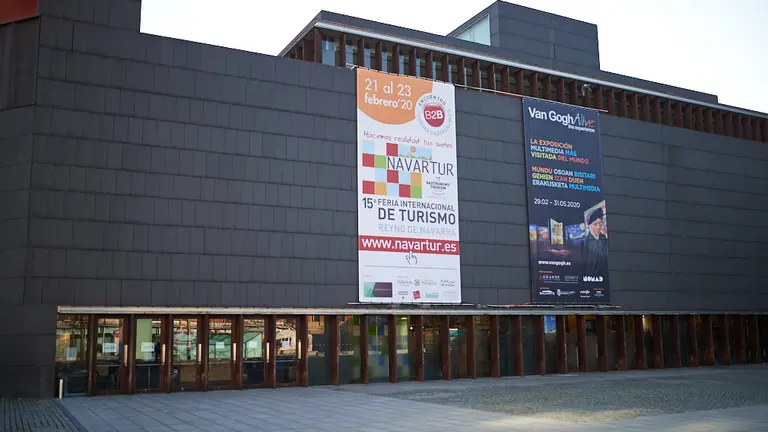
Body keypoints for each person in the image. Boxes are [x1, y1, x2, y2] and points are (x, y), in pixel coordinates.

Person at [583, 207, 608, 277]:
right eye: (595, 224)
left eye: (600, 223)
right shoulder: (587, 241)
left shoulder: (603, 237)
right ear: (589, 226)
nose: (598, 227)